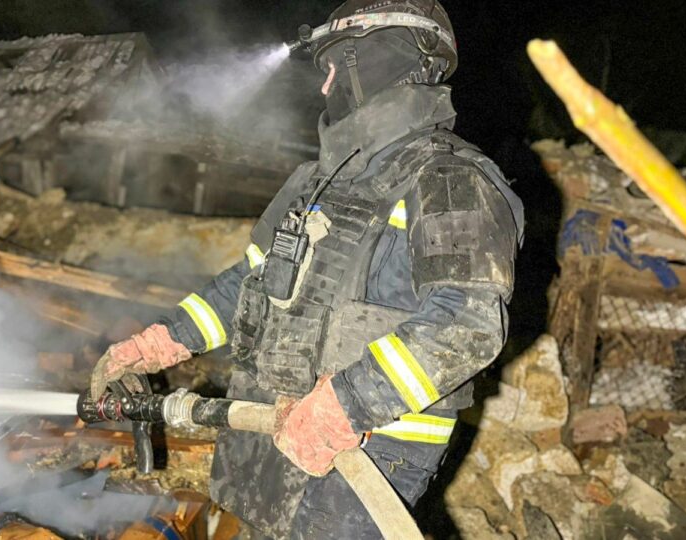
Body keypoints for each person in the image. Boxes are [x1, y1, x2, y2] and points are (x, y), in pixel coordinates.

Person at [89, 0, 524, 537]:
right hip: (272, 422)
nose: (324, 88)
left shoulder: (451, 180)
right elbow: (251, 281)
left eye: (334, 69)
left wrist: (347, 404)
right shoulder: (313, 182)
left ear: (374, 61)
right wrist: (160, 342)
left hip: (371, 444)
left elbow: (468, 325)